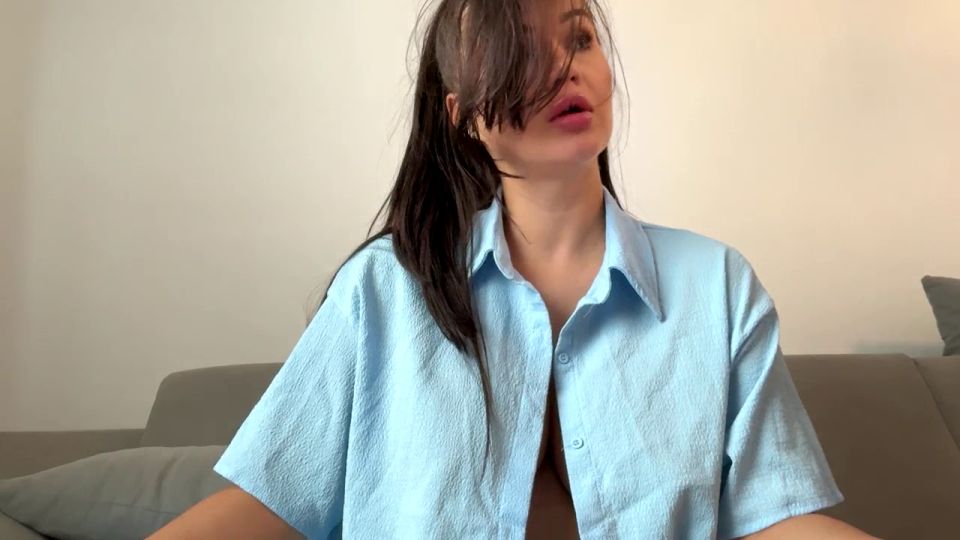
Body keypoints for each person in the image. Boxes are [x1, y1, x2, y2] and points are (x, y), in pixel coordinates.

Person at [152, 1, 878, 538]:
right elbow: (269, 504)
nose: (567, 67)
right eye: (519, 52)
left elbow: (775, 519)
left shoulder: (716, 286)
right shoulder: (385, 288)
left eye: (580, 38)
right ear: (462, 115)